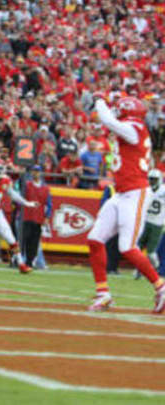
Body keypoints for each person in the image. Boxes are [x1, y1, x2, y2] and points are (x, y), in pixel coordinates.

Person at [86, 95, 165, 313]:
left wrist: (100, 100)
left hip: (135, 193)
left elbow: (109, 121)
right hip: (121, 193)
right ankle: (103, 293)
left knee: (127, 247)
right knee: (94, 239)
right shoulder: (132, 127)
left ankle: (161, 287)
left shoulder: (135, 127)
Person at [134, 170, 165, 280]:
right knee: (137, 248)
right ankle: (139, 270)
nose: (152, 181)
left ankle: (155, 270)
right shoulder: (145, 189)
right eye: (150, 179)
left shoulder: (162, 190)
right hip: (145, 222)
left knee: (151, 252)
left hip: (157, 224)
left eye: (154, 179)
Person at [22, 165, 52, 268]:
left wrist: (47, 217)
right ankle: (21, 260)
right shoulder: (27, 185)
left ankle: (29, 261)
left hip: (38, 218)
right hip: (26, 216)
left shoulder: (45, 188)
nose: (35, 173)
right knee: (24, 239)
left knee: (34, 242)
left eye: (37, 171)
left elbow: (48, 204)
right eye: (34, 171)